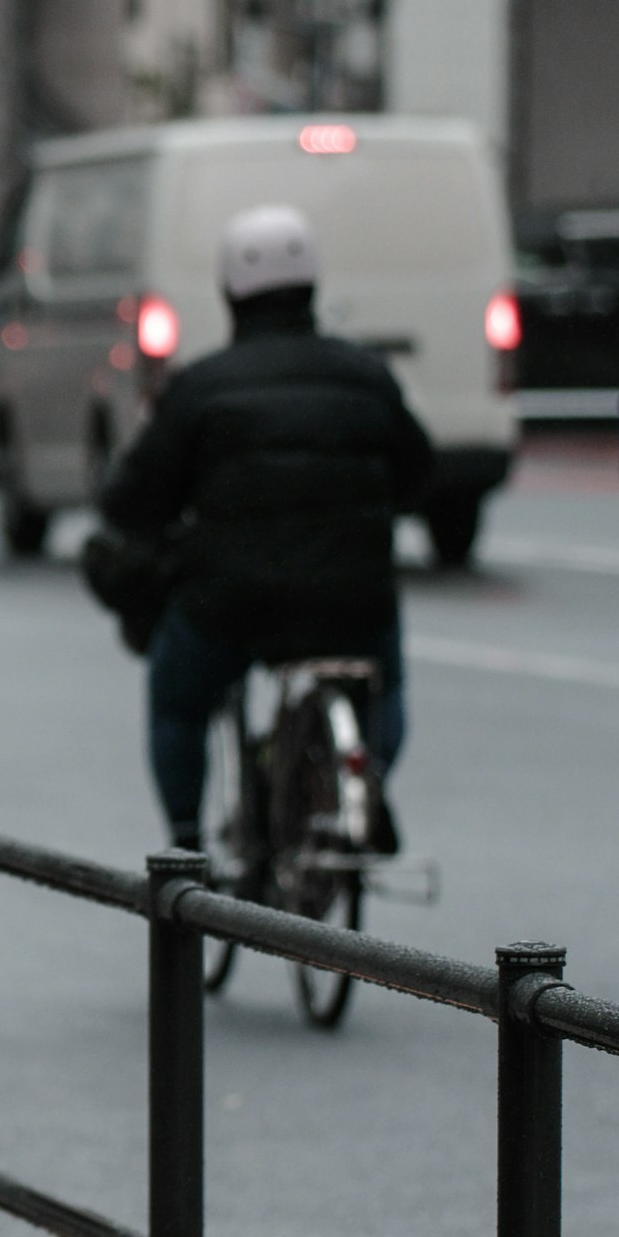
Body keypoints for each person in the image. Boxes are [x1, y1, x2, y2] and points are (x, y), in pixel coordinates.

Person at [99, 205, 431, 857]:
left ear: (230, 292)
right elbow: (419, 476)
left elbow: (132, 500)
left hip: (232, 605)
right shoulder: (366, 375)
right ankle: (364, 786)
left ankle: (186, 851)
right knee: (382, 685)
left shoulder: (201, 388)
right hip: (351, 601)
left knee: (179, 700)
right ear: (312, 286)